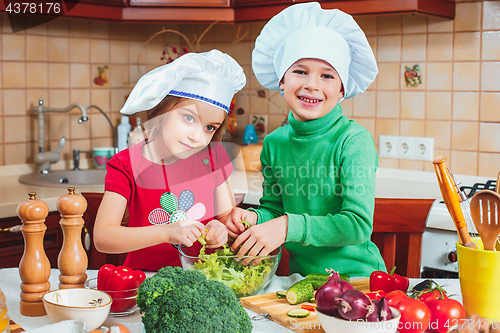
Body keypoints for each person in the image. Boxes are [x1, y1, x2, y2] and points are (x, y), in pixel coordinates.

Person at [225, 2, 386, 277]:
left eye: (327, 76)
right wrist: (254, 218)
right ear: (282, 81)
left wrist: (287, 226)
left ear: (342, 89)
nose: (312, 84)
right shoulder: (275, 144)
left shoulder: (353, 141)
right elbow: (274, 209)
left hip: (359, 280)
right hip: (302, 281)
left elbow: (357, 224)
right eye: (300, 71)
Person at [94, 50, 246, 271]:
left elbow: (225, 220)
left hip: (203, 281)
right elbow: (103, 237)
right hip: (143, 280)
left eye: (209, 128)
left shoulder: (214, 158)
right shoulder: (127, 164)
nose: (198, 136)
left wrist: (220, 230)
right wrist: (167, 232)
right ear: (162, 109)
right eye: (188, 118)